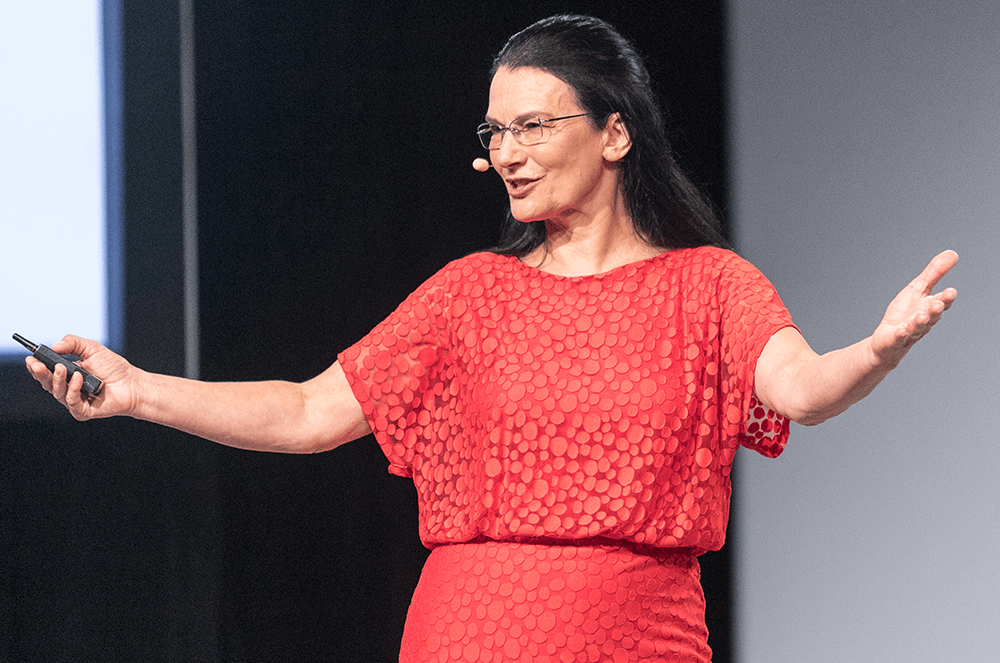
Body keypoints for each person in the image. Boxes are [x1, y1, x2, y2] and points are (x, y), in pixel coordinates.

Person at [26, 14, 956, 663]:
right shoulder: (471, 293)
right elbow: (310, 410)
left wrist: (877, 349)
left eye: (533, 125)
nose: (505, 151)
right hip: (462, 635)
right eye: (494, 130)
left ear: (616, 133)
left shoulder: (707, 285)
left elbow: (799, 388)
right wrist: (139, 389)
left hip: (638, 640)